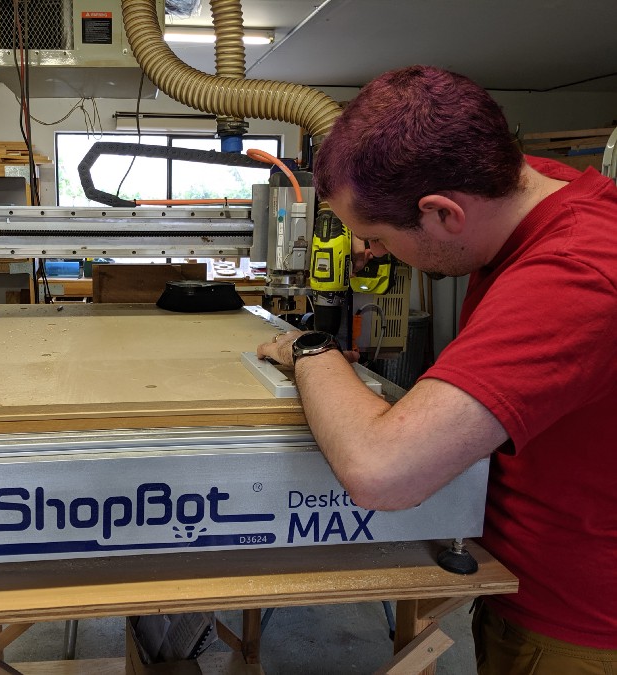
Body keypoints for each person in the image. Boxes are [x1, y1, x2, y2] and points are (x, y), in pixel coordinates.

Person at [256, 65, 617, 674]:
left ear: (444, 214)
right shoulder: (527, 193)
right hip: (518, 572)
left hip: (579, 620)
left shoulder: (575, 273)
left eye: (375, 236)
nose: (368, 253)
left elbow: (382, 471)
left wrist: (309, 350)